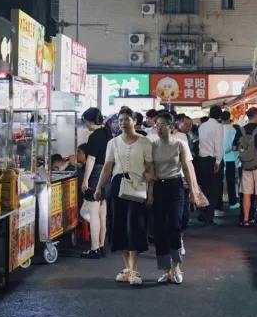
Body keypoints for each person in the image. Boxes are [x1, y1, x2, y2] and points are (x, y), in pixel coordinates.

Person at [94, 112, 154, 285]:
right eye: (120, 121)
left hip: (137, 187)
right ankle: (127, 268)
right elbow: (107, 166)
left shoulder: (144, 142)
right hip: (118, 186)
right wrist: (99, 187)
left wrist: (150, 192)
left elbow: (150, 168)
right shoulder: (112, 143)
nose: (123, 123)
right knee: (119, 226)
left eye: (126, 120)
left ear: (134, 121)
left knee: (134, 226)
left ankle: (135, 270)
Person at [150, 113, 201, 284]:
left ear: (171, 127)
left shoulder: (180, 144)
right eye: (157, 125)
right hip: (158, 188)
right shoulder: (152, 145)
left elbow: (187, 169)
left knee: (174, 226)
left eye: (163, 125)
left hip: (176, 187)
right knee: (159, 231)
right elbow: (150, 170)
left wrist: (193, 192)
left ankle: (177, 267)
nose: (160, 128)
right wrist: (149, 193)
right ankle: (166, 271)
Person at [80, 107, 110, 259]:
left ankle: (94, 248)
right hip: (107, 176)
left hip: (96, 175)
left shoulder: (94, 137)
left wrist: (85, 180)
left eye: (85, 121)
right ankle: (102, 246)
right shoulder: (107, 134)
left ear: (91, 121)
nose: (85, 124)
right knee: (102, 214)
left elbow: (91, 160)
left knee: (93, 214)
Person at [195, 106, 226, 224]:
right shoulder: (218, 127)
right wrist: (218, 161)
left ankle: (203, 211)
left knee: (205, 187)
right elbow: (218, 144)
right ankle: (209, 214)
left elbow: (201, 143)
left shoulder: (202, 126)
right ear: (219, 115)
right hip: (213, 160)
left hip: (202, 159)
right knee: (214, 188)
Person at [221, 111, 241, 210]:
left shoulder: (218, 128)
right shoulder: (232, 129)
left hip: (219, 158)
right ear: (229, 119)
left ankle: (218, 203)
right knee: (231, 181)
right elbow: (234, 145)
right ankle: (232, 202)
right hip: (230, 158)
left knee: (219, 181)